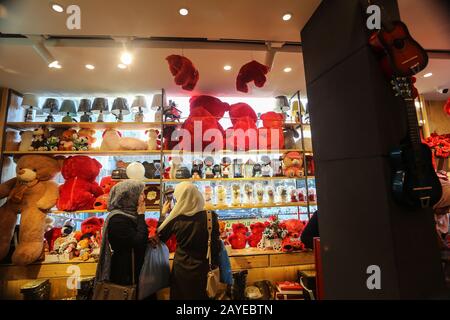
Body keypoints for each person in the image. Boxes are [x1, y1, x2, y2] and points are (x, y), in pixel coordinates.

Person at [155, 182, 220, 300]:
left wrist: (163, 214)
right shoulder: (210, 216)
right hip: (203, 268)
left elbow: (160, 236)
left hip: (181, 269)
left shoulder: (176, 219)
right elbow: (216, 246)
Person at [96, 180, 148, 287]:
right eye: (141, 193)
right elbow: (138, 241)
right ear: (129, 197)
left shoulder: (129, 215)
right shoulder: (118, 220)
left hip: (134, 270)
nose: (144, 197)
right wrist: (141, 215)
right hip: (126, 274)